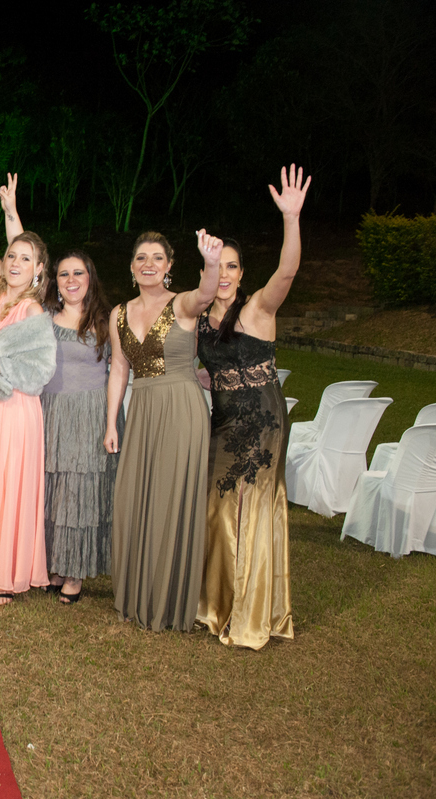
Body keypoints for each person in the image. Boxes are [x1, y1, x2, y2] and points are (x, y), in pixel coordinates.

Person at [195, 165, 310, 649]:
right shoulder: (199, 318)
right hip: (224, 421)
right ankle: (216, 606)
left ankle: (251, 613)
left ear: (242, 273)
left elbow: (287, 270)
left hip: (262, 420)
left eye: (233, 265)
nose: (225, 274)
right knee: (218, 509)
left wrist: (291, 218)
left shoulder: (257, 308)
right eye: (218, 264)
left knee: (252, 508)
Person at [0, 183, 122, 605]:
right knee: (48, 491)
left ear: (90, 279)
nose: (71, 280)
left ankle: (74, 574)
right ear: (55, 279)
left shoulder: (107, 322)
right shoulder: (44, 315)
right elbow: (23, 256)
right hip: (47, 411)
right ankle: (51, 562)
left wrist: (110, 424)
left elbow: (118, 372)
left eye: (79, 273)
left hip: (88, 416)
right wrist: (11, 211)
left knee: (79, 495)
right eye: (64, 273)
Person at [104, 229, 221, 632]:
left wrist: (210, 261)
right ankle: (138, 593)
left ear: (170, 266)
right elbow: (119, 368)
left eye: (157, 258)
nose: (148, 264)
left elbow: (206, 293)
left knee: (171, 498)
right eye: (141, 258)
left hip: (181, 406)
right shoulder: (119, 312)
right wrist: (110, 423)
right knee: (135, 496)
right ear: (132, 265)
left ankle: (168, 600)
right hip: (143, 410)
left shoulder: (183, 304)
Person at [0, 140, 57, 607]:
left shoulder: (32, 307)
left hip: (15, 406)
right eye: (12, 257)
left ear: (39, 271)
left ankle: (8, 573)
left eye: (26, 259)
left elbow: (40, 364)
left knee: (7, 484)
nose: (15, 262)